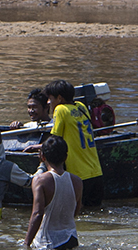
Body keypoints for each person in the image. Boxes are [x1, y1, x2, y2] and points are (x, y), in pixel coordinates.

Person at [45, 79, 105, 208]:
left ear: (59, 98)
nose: (48, 102)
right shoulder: (81, 106)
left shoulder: (60, 109)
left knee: (76, 215)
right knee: (94, 213)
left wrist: (39, 148)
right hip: (96, 172)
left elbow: (54, 140)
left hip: (78, 176)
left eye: (50, 98)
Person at [23, 136, 79, 250]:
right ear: (66, 157)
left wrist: (26, 244)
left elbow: (37, 214)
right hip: (72, 239)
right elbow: (76, 210)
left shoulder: (39, 180)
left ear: (42, 157)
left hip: (48, 242)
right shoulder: (77, 181)